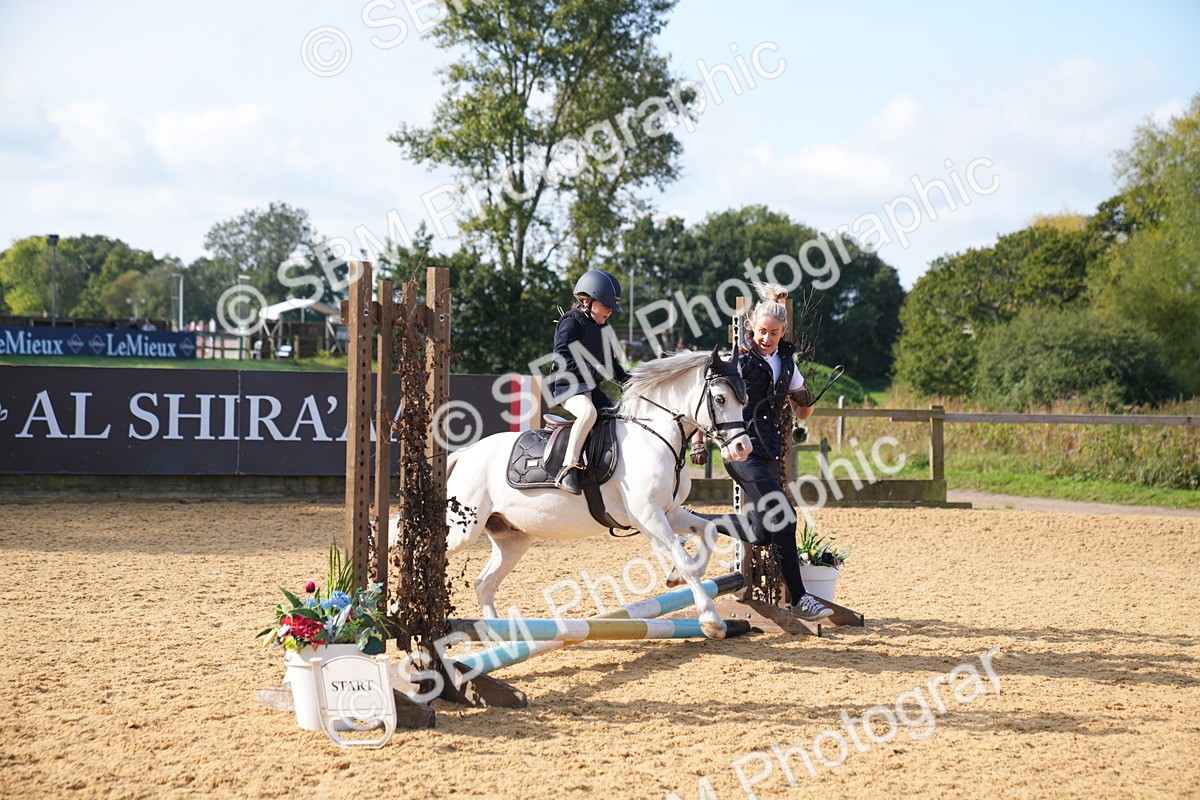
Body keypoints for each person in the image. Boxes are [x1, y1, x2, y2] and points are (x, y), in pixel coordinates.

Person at [689, 283, 833, 621]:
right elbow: (714, 399)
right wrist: (698, 438)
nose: (767, 338)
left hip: (770, 453)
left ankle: (696, 521)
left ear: (783, 333)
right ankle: (801, 599)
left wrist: (805, 400)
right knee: (785, 516)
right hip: (742, 452)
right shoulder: (737, 361)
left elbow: (803, 413)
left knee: (761, 531)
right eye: (763, 332)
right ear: (753, 329)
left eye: (774, 333)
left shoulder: (786, 361)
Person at [548, 269, 630, 495]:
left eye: (611, 309)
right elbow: (561, 357)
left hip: (590, 389)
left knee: (618, 417)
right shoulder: (571, 322)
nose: (610, 312)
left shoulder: (602, 328)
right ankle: (568, 468)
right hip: (569, 388)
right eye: (606, 306)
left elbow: (612, 366)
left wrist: (632, 381)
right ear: (588, 300)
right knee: (588, 414)